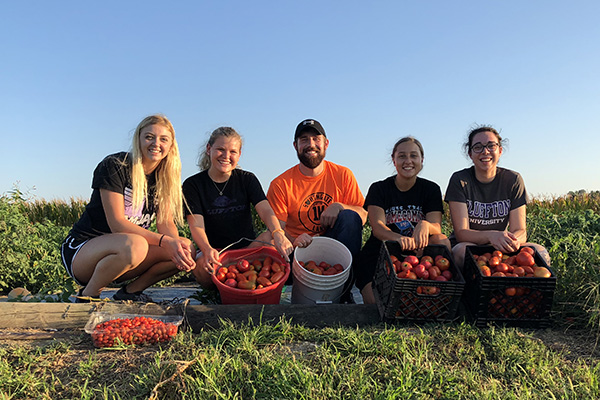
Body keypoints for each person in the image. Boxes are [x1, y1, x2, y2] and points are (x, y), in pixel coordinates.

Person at [60, 115, 196, 302]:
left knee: (185, 248)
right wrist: (165, 241)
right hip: (83, 251)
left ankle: (130, 292)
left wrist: (176, 249)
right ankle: (88, 296)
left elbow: (165, 222)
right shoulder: (116, 165)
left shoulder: (164, 178)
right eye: (149, 137)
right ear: (138, 139)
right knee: (136, 244)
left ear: (171, 145)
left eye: (163, 139)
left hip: (126, 254)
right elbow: (117, 224)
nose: (156, 143)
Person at [266, 119, 367, 303]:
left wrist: (339, 206)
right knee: (268, 243)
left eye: (316, 138)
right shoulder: (280, 184)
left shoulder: (343, 175)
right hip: (296, 253)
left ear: (326, 143)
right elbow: (276, 230)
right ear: (295, 145)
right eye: (304, 139)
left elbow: (363, 214)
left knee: (350, 217)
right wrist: (294, 241)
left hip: (332, 249)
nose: (310, 144)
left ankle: (343, 292)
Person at [182, 127, 293, 288]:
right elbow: (196, 225)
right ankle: (222, 288)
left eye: (233, 152)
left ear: (239, 155)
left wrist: (278, 233)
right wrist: (206, 249)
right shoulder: (193, 184)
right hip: (216, 252)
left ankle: (245, 282)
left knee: (271, 238)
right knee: (200, 268)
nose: (226, 156)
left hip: (247, 249)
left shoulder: (247, 179)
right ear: (209, 149)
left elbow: (265, 210)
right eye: (220, 149)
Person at [355, 137, 450, 304]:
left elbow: (436, 227)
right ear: (394, 160)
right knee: (375, 306)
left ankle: (437, 293)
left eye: (413, 156)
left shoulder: (431, 189)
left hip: (418, 251)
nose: (408, 161)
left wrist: (424, 225)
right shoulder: (379, 188)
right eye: (402, 156)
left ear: (421, 160)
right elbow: (377, 227)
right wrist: (399, 238)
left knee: (441, 240)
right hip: (383, 249)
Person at [445, 125, 550, 268]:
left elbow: (520, 230)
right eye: (478, 147)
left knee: (540, 251)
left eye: (491, 146)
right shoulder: (460, 180)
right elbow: (462, 233)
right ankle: (469, 290)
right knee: (463, 252)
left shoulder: (513, 180)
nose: (485, 151)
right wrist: (491, 236)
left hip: (501, 244)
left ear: (500, 151)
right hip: (470, 244)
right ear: (470, 154)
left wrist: (513, 241)